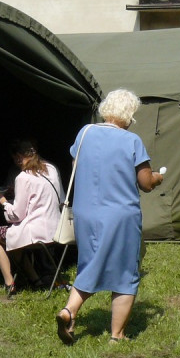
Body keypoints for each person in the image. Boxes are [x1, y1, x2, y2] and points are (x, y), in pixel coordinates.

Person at [55, 88, 163, 345]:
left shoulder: (85, 133)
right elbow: (146, 183)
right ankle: (117, 336)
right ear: (128, 116)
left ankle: (68, 312)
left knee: (91, 264)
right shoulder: (131, 141)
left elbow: (77, 167)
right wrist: (158, 176)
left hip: (86, 212)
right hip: (119, 215)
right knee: (126, 272)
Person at [0, 139, 64, 295]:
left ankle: (9, 283)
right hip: (57, 230)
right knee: (13, 238)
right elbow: (61, 200)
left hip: (37, 234)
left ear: (17, 157)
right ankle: (35, 280)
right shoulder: (51, 168)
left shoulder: (23, 177)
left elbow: (16, 215)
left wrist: (1, 200)